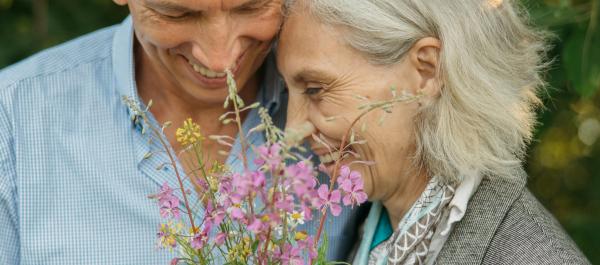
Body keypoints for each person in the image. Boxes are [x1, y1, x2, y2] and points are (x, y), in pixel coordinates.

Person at [0, 1, 364, 264]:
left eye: (250, 8)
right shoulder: (14, 120)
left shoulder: (360, 102)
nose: (219, 59)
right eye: (179, 13)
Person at [278, 0, 591, 264]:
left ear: (427, 70)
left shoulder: (533, 255)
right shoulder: (367, 228)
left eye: (315, 89)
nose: (293, 128)